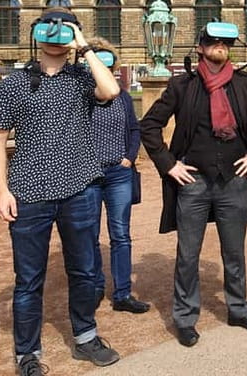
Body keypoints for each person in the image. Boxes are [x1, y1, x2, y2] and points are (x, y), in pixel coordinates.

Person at [0, 9, 122, 375]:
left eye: (65, 29)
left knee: (84, 270)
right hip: (28, 191)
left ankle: (85, 337)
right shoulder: (15, 83)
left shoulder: (80, 77)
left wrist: (84, 46)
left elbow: (111, 90)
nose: (55, 35)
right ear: (35, 33)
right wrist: (2, 191)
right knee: (28, 278)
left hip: (79, 187)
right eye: (48, 28)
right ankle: (26, 354)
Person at [140, 22, 247, 348]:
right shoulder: (182, 86)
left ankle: (238, 309)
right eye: (213, 41)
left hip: (234, 181)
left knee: (234, 252)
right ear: (201, 47)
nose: (219, 45)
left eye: (224, 42)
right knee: (188, 254)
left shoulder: (246, 84)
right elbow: (149, 126)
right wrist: (169, 164)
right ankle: (185, 318)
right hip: (194, 183)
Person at [85, 38, 150, 315]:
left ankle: (122, 292)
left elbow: (135, 129)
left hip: (118, 173)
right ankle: (96, 287)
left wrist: (130, 157)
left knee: (120, 234)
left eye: (108, 62)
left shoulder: (122, 96)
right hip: (87, 175)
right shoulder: (82, 96)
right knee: (88, 234)